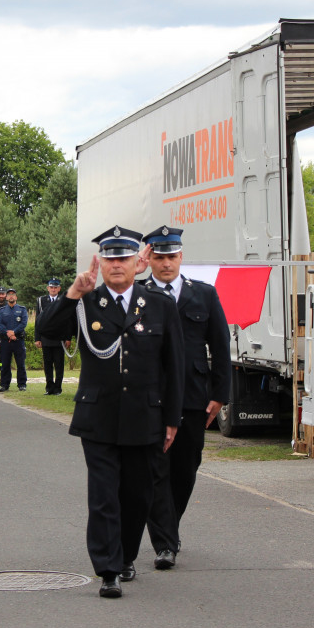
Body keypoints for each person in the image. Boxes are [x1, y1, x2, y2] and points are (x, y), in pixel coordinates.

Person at [37, 226, 184, 598]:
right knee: (104, 496)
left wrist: (172, 419)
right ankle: (108, 570)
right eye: (109, 258)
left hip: (145, 416)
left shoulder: (159, 304)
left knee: (137, 496)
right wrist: (73, 293)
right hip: (98, 416)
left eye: (123, 258)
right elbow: (47, 329)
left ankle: (125, 556)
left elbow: (174, 366)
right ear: (100, 263)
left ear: (138, 262)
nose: (116, 265)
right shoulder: (87, 302)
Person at [136, 226, 231, 571]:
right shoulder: (136, 293)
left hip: (192, 397)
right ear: (150, 259)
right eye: (159, 257)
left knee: (185, 468)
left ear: (181, 257)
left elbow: (220, 345)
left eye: (172, 257)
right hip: (150, 396)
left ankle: (169, 526)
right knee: (154, 469)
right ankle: (165, 542)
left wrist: (220, 394)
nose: (166, 264)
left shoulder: (203, 294)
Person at [36, 277, 72, 395]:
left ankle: (58, 388)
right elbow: (38, 321)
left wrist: (68, 338)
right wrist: (37, 338)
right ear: (48, 288)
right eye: (51, 287)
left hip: (59, 338)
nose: (53, 289)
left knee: (59, 365)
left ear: (59, 288)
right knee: (47, 364)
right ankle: (49, 388)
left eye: (55, 287)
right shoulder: (41, 301)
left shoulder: (63, 300)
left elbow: (68, 320)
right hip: (46, 338)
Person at [0, 288, 28, 392]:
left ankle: (22, 384)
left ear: (16, 297)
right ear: (6, 297)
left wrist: (14, 332)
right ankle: (4, 385)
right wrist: (8, 333)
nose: (11, 296)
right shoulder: (2, 310)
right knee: (5, 364)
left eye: (13, 294)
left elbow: (23, 323)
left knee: (20, 364)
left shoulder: (22, 309)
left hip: (18, 340)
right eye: (9, 294)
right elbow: (0, 324)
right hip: (6, 341)